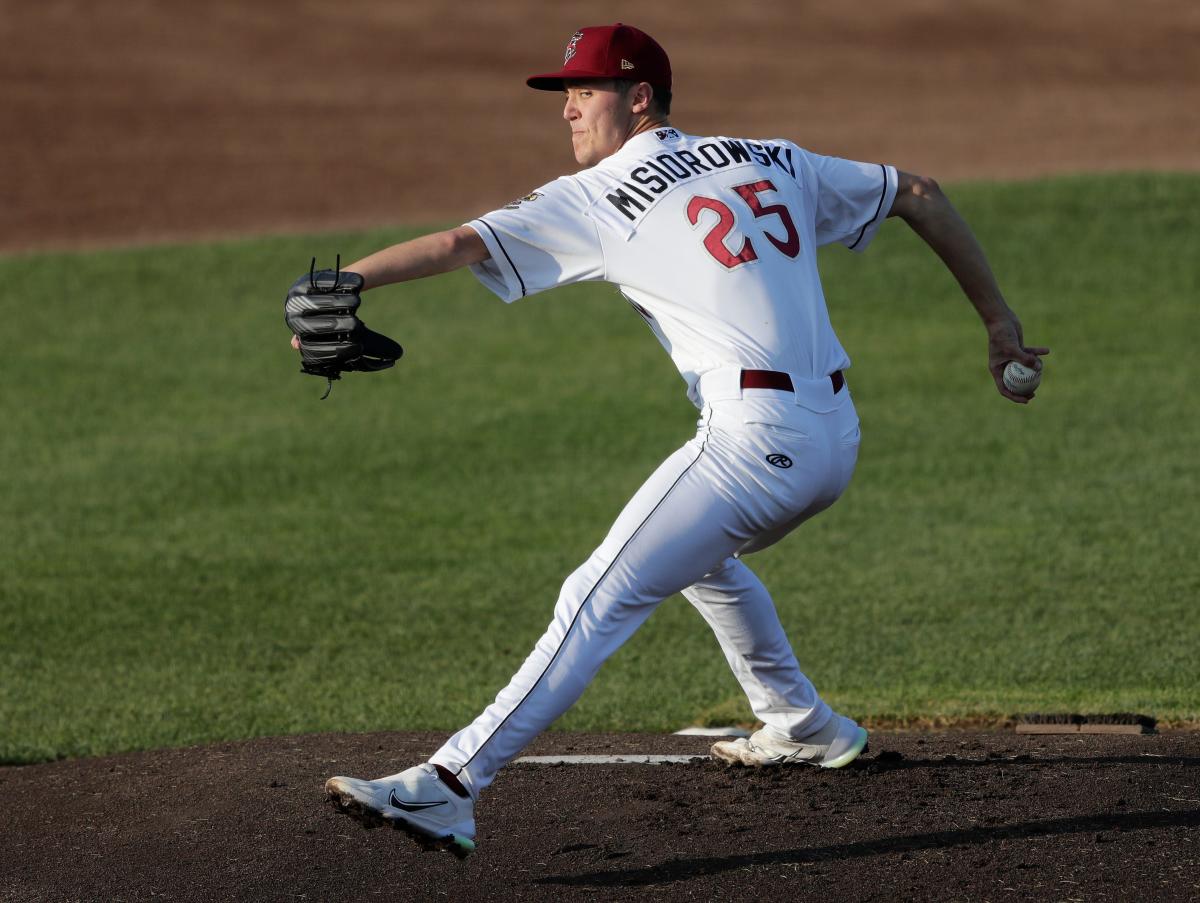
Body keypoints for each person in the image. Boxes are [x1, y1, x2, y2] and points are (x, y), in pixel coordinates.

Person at [315, 23, 1048, 857]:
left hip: (753, 442)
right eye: (564, 93)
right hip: (833, 439)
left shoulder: (595, 194)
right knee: (698, 558)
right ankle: (800, 721)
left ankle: (449, 785)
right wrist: (999, 321)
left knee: (595, 595)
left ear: (639, 97)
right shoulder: (768, 154)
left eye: (584, 91)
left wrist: (345, 281)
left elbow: (457, 244)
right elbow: (917, 190)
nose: (568, 110)